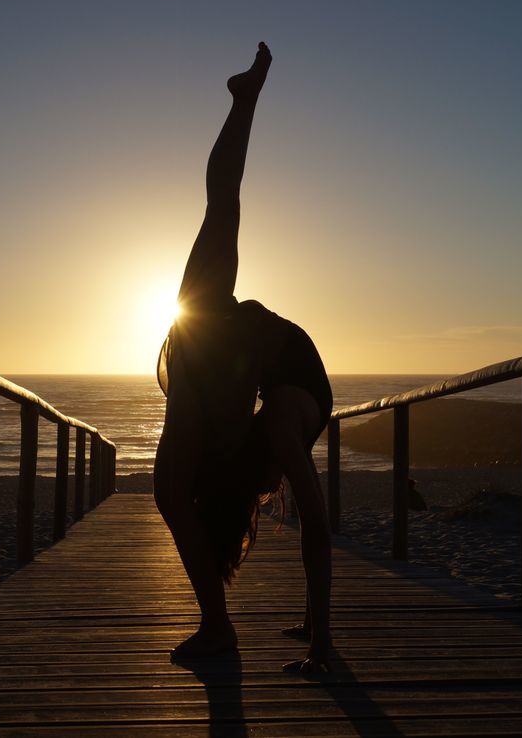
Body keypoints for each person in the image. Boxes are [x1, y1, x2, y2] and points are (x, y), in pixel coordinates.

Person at [153, 43, 334, 673]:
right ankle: (216, 626)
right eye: (270, 488)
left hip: (228, 344)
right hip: (222, 347)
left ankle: (217, 627)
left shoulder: (283, 419)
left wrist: (324, 645)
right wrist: (318, 637)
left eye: (263, 488)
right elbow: (313, 520)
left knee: (222, 204)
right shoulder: (278, 419)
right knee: (172, 490)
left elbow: (316, 519)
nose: (272, 488)